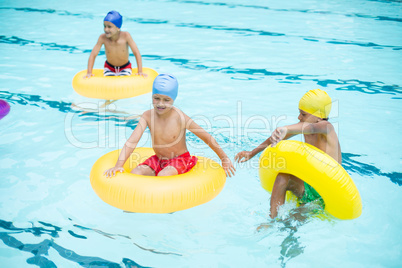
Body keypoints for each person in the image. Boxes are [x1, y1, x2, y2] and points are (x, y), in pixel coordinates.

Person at [104, 74, 236, 178]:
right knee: (135, 172)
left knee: (163, 175)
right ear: (152, 96)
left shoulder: (180, 117)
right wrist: (118, 165)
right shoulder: (147, 116)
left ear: (173, 100)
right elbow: (132, 141)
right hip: (158, 160)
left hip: (181, 160)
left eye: (166, 100)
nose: (161, 103)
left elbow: (206, 137)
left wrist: (224, 159)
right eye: (156, 98)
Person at [235, 89, 340, 219]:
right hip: (309, 185)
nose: (299, 117)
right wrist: (252, 153)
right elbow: (278, 137)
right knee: (282, 178)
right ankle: (272, 220)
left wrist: (286, 128)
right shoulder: (305, 126)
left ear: (318, 117)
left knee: (293, 220)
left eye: (303, 114)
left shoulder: (327, 128)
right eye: (299, 113)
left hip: (327, 191)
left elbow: (312, 128)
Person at [84, 11, 146, 78]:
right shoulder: (102, 38)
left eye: (109, 27)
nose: (106, 29)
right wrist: (89, 72)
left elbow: (136, 53)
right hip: (109, 68)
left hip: (125, 67)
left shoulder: (126, 36)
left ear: (118, 28)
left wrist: (140, 71)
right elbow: (93, 54)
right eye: (104, 26)